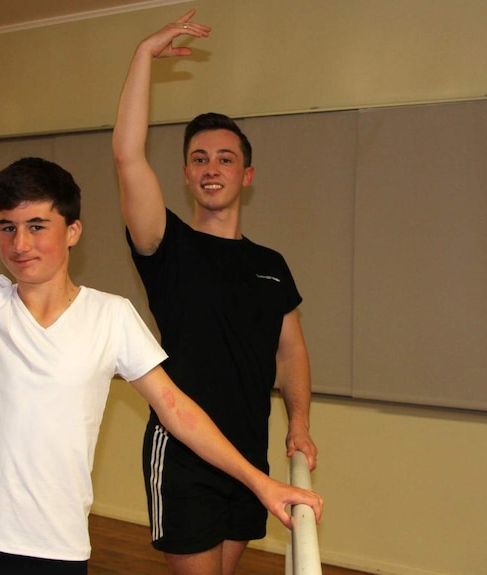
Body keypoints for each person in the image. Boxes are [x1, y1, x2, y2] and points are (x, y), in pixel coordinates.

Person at [0, 30, 322, 575]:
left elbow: (178, 410)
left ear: (73, 232)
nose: (20, 244)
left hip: (58, 547)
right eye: (7, 228)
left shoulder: (111, 316)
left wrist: (263, 484)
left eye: (38, 226)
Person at [113, 10, 320, 575]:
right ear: (184, 173)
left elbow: (291, 351)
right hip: (184, 456)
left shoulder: (270, 265)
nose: (212, 169)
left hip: (248, 450)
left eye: (226, 159)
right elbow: (127, 157)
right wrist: (143, 57)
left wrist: (298, 423)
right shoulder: (166, 245)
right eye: (199, 159)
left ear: (246, 175)